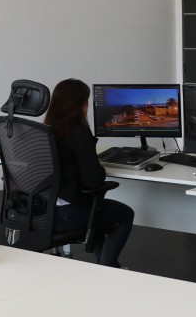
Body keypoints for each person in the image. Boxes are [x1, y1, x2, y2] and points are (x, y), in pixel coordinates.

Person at [44, 78, 135, 268]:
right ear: (81, 105)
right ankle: (108, 269)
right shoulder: (78, 133)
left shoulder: (46, 131)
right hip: (66, 213)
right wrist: (100, 167)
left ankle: (105, 265)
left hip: (44, 209)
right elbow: (93, 181)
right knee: (125, 214)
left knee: (97, 211)